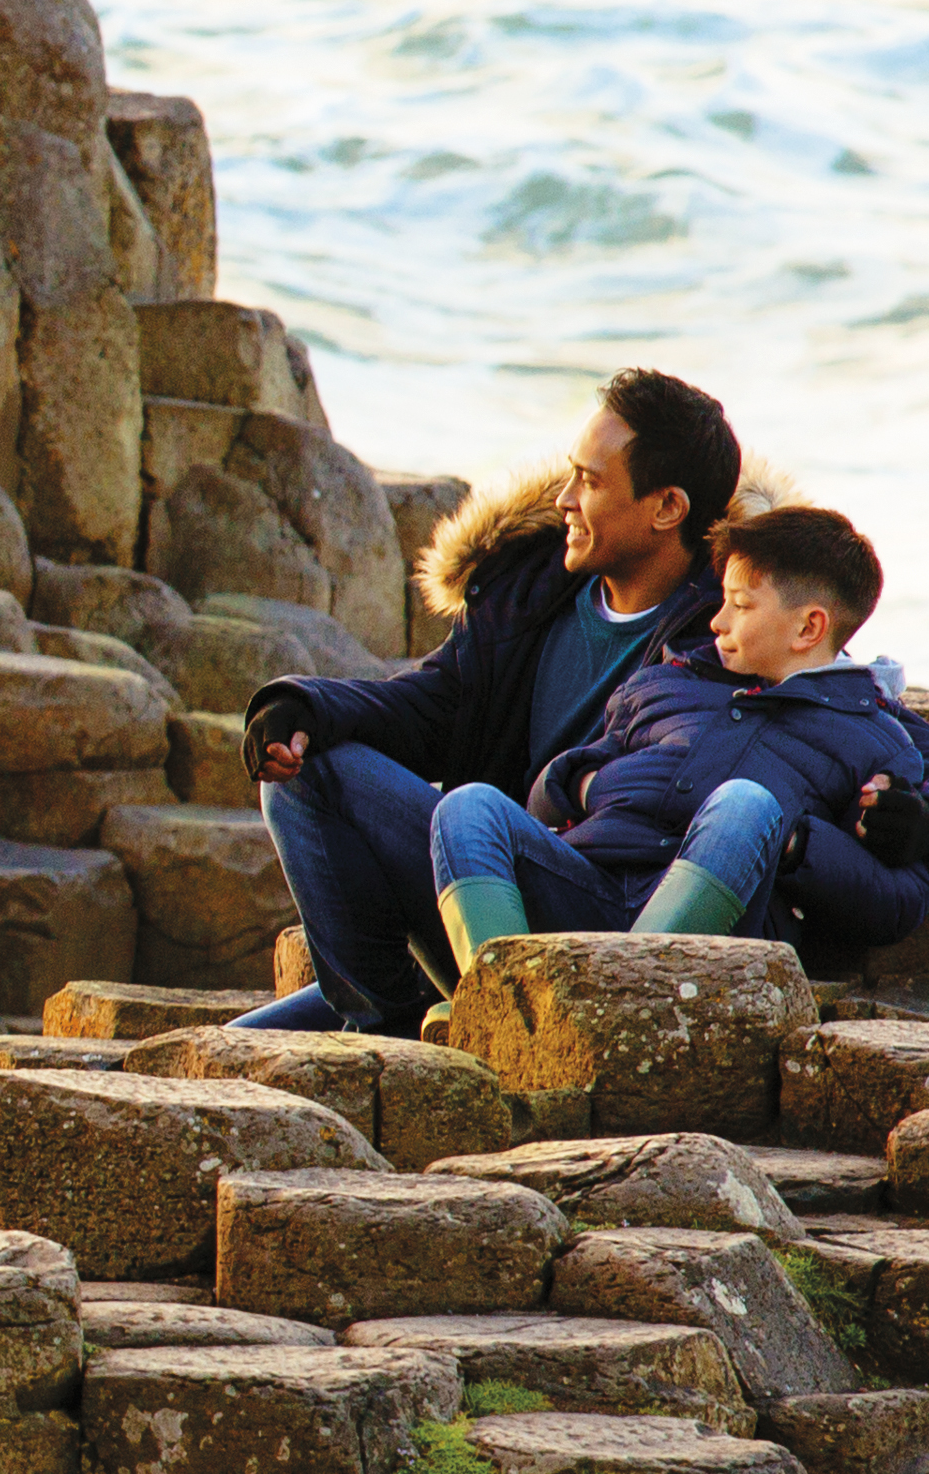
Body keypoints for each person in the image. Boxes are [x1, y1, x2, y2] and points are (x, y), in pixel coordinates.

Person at [230, 366, 741, 1031]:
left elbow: (830, 724)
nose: (563, 499)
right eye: (570, 474)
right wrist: (309, 707)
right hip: (474, 890)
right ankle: (384, 1019)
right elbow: (437, 704)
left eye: (589, 482)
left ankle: (408, 1028)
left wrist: (915, 813)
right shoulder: (528, 585)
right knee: (304, 766)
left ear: (667, 508)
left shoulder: (734, 630)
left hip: (598, 919)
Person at [429, 502, 929, 973]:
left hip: (716, 933)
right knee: (470, 806)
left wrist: (794, 843)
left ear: (808, 628)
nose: (715, 622)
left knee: (747, 803)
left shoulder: (874, 738)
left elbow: (898, 903)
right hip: (589, 883)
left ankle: (625, 990)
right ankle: (497, 997)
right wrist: (587, 784)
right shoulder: (666, 684)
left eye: (740, 606)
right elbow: (549, 795)